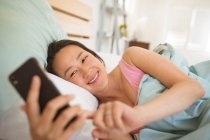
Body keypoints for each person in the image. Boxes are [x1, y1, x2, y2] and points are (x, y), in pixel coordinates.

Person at [25, 39, 207, 140]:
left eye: (84, 59)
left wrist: (139, 115)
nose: (85, 70)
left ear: (95, 56)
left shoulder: (132, 58)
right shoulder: (103, 117)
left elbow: (193, 88)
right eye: (73, 73)